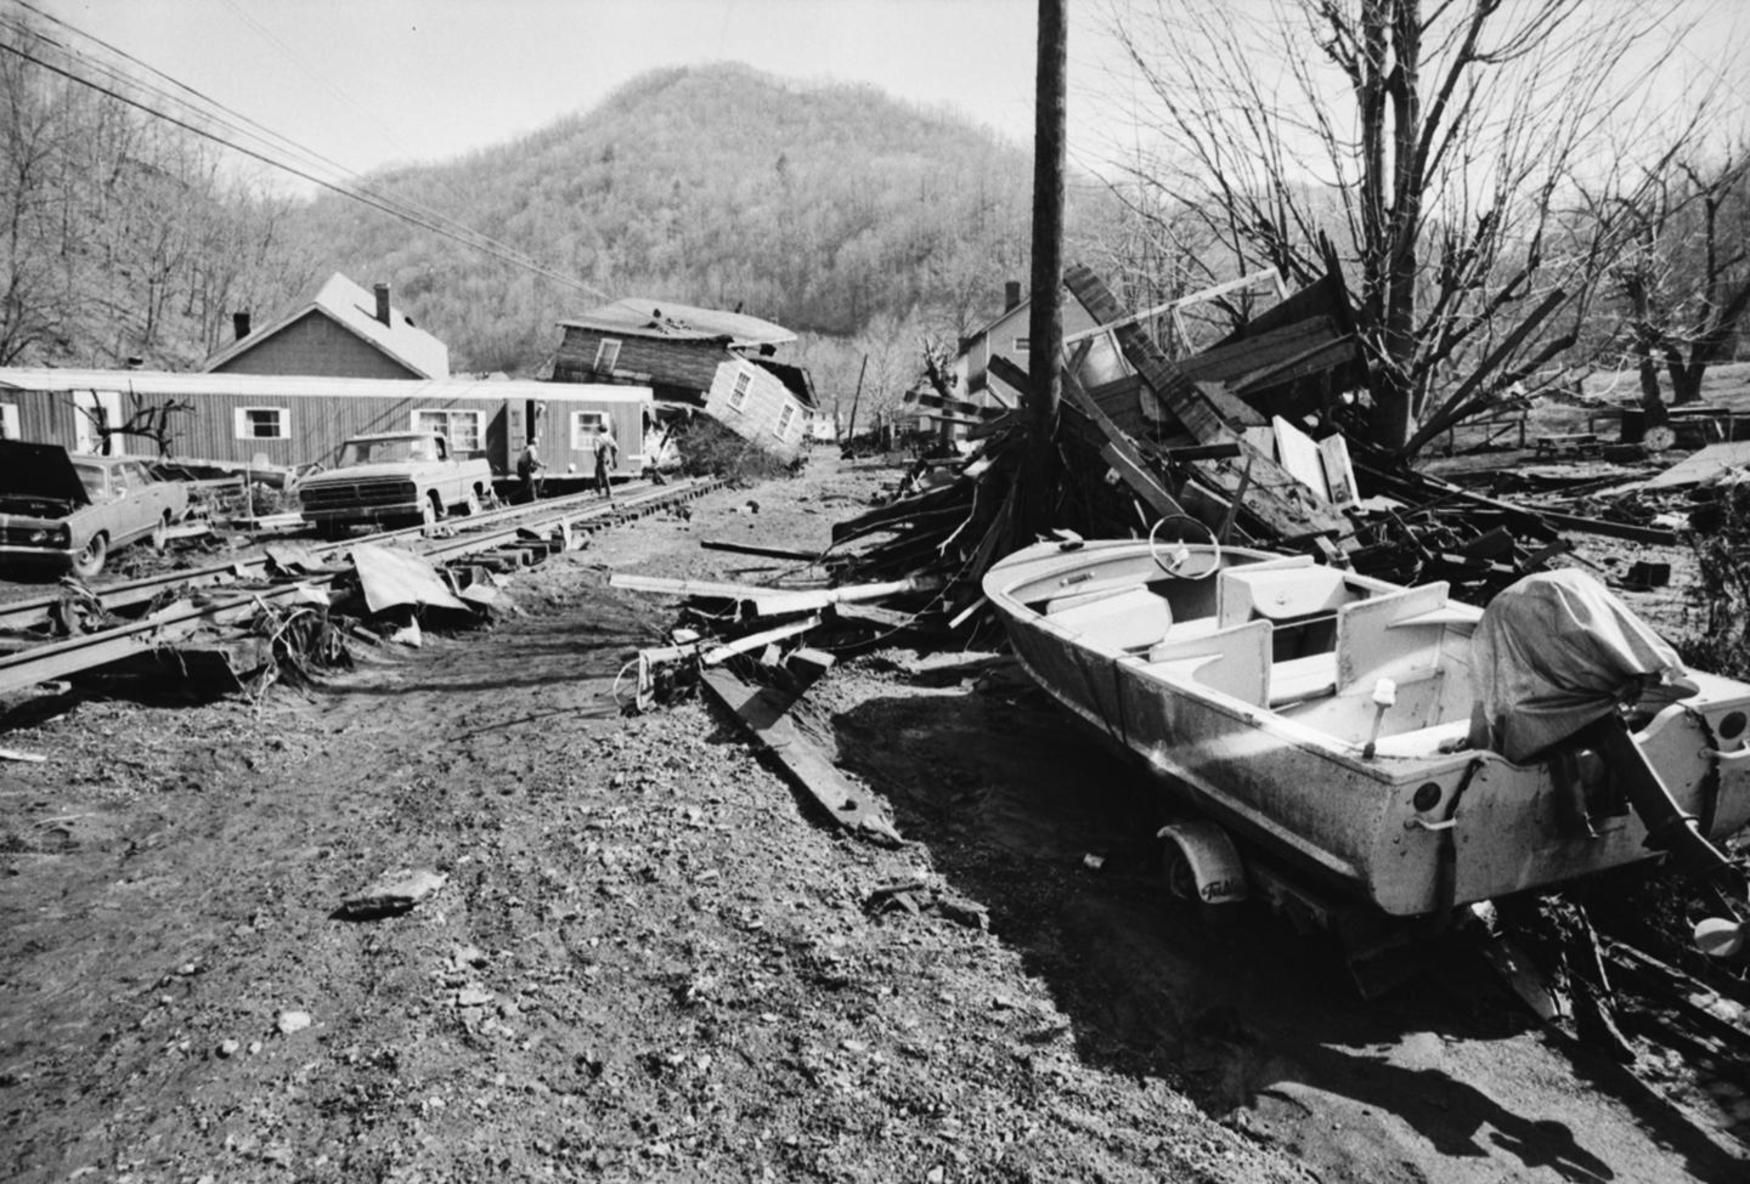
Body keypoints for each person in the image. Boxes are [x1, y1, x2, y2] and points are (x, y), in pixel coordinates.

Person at [593, 420, 619, 499]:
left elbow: (596, 450)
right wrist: (614, 458)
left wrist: (597, 457)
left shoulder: (597, 438)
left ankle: (608, 493)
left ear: (599, 430)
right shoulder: (609, 437)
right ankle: (599, 491)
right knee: (601, 474)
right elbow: (616, 448)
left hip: (601, 459)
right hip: (608, 458)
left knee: (601, 475)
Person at [517, 436, 545, 502]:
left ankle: (525, 499)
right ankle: (534, 499)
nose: (539, 445)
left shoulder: (528, 448)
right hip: (523, 468)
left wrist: (535, 466)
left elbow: (531, 460)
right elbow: (534, 460)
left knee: (526, 485)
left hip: (521, 467)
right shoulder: (532, 449)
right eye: (538, 443)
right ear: (536, 443)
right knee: (531, 484)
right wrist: (542, 465)